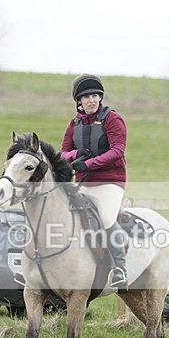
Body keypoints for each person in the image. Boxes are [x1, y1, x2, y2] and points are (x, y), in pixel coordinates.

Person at [60, 74, 130, 291]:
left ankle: (120, 268)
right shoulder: (75, 124)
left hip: (110, 181)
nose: (91, 100)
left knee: (106, 217)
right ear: (79, 102)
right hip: (83, 182)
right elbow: (62, 153)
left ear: (100, 97)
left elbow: (117, 151)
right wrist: (75, 155)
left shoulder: (113, 119)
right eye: (86, 97)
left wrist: (88, 164)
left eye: (95, 96)